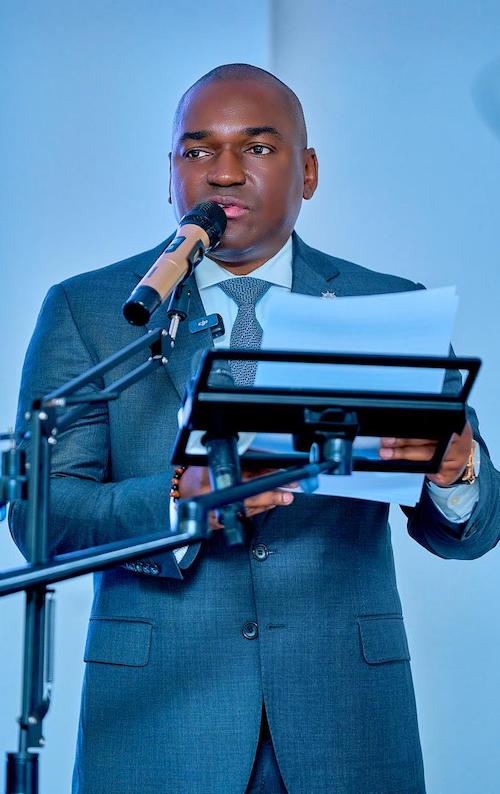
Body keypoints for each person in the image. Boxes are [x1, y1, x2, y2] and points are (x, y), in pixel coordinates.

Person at [10, 64, 500, 794]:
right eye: (198, 150)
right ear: (170, 174)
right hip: (155, 723)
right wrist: (178, 500)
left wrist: (457, 473)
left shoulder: (385, 306)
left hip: (349, 722)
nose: (225, 173)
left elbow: (473, 532)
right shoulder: (95, 310)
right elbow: (40, 516)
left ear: (309, 172)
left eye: (259, 148)